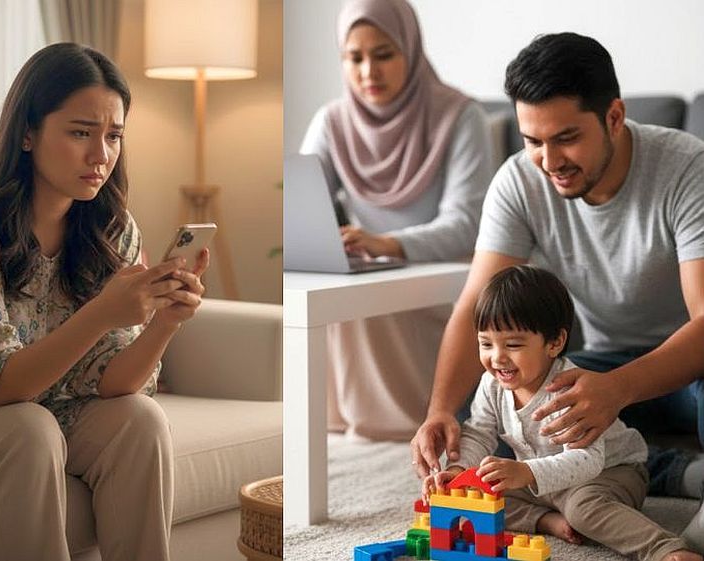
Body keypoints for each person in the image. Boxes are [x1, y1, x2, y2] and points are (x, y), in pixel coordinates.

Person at [0, 43, 205, 561]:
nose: (101, 155)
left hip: (49, 406)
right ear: (28, 132)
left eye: (113, 135)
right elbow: (2, 388)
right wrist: (103, 312)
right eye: (80, 132)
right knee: (27, 430)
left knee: (140, 421)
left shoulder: (111, 227)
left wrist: (165, 322)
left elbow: (117, 384)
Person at [409, 32, 704, 551]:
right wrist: (437, 411)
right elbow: (476, 308)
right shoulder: (520, 181)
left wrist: (618, 390)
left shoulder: (686, 168)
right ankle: (671, 471)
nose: (548, 161)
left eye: (566, 137)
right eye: (532, 140)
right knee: (480, 402)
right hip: (595, 367)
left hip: (686, 365)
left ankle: (667, 478)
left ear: (614, 116)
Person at [299, 0, 493, 440]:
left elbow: (467, 222)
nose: (369, 71)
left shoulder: (461, 116)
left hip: (451, 275)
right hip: (377, 269)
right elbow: (301, 198)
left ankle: (404, 425)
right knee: (335, 287)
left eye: (384, 54)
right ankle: (343, 424)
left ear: (411, 49)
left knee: (362, 293)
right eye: (355, 58)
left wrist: (389, 244)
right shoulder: (332, 122)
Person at [423, 265, 700, 561]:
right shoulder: (491, 384)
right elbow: (478, 432)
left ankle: (664, 548)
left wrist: (526, 471)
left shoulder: (570, 389)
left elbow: (586, 461)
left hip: (610, 473)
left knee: (583, 509)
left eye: (513, 345)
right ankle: (546, 521)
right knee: (481, 493)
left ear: (554, 342)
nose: (497, 357)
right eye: (485, 344)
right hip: (543, 479)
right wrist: (457, 473)